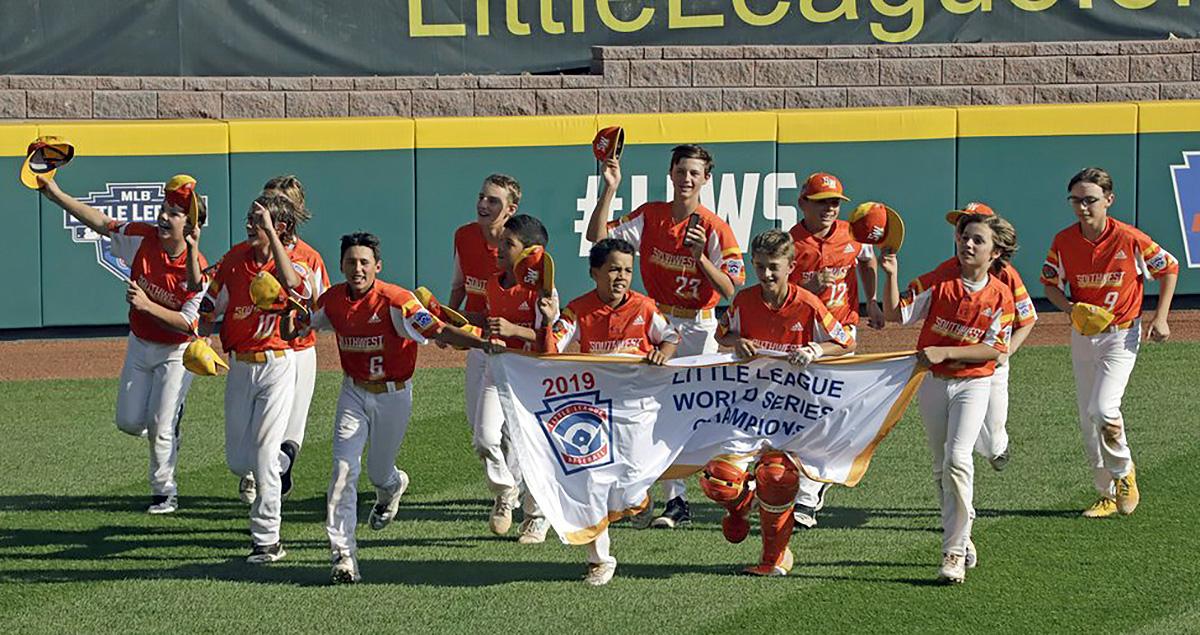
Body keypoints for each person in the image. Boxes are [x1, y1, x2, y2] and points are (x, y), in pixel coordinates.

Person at [286, 232, 487, 583]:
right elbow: (301, 325)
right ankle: (343, 557)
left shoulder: (398, 302)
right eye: (351, 262)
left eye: (364, 262)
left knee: (379, 472)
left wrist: (483, 342)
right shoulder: (332, 299)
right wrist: (289, 318)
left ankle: (392, 486)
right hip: (352, 393)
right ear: (341, 266)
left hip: (394, 395)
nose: (357, 269)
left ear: (377, 266)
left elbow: (439, 331)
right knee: (342, 473)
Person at [586, 144, 744, 529]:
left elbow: (733, 289)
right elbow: (597, 239)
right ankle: (673, 501)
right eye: (681, 170)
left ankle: (735, 487)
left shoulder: (715, 227)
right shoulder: (651, 215)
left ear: (707, 179)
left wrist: (700, 256)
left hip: (700, 326)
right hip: (657, 323)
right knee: (659, 412)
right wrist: (609, 188)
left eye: (695, 172)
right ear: (670, 174)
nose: (686, 178)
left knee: (703, 412)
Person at [37, 174, 208, 515]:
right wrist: (56, 195)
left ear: (191, 227)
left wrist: (147, 305)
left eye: (174, 213)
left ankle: (164, 493)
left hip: (177, 352)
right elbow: (101, 222)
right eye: (164, 208)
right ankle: (168, 422)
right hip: (140, 343)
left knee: (159, 427)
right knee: (130, 422)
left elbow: (188, 322)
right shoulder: (141, 238)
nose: (163, 216)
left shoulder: (198, 268)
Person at [705, 229, 855, 576]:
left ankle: (773, 558)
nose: (767, 274)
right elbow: (722, 335)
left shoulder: (808, 304)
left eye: (773, 267)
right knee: (719, 479)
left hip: (792, 410)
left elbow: (844, 342)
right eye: (759, 266)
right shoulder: (743, 301)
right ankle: (740, 504)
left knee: (777, 476)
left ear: (790, 266)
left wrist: (815, 349)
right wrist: (736, 342)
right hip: (748, 407)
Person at [882, 213, 1017, 585]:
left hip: (974, 384)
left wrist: (943, 351)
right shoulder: (939, 279)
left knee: (959, 459)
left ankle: (953, 551)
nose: (967, 244)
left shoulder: (1000, 294)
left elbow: (993, 350)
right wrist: (890, 274)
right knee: (942, 467)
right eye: (964, 237)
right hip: (933, 383)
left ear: (996, 251)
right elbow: (898, 315)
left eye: (977, 240)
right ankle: (964, 531)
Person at [1040, 167, 1178, 519]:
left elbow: (1169, 267)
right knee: (1088, 419)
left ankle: (1124, 473)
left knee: (1103, 408)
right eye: (1076, 200)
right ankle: (1105, 493)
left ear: (1108, 200)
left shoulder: (1129, 238)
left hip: (1121, 334)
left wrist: (1160, 317)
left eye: (1090, 200)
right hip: (1084, 335)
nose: (1083, 207)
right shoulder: (1064, 240)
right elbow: (1050, 284)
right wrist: (1071, 308)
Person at [542, 237, 681, 585]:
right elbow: (552, 348)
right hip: (593, 411)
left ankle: (640, 500)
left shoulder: (645, 306)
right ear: (594, 273)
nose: (621, 276)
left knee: (630, 487)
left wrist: (663, 350)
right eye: (613, 269)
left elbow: (672, 335)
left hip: (637, 410)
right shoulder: (578, 309)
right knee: (592, 482)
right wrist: (547, 321)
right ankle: (599, 560)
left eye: (627, 270)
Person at [199, 194, 319, 563]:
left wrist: (272, 238)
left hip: (278, 363)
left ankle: (268, 539)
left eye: (259, 220)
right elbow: (210, 305)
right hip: (240, 365)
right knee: (239, 460)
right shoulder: (235, 259)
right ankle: (266, 474)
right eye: (251, 219)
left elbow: (298, 288)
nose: (250, 225)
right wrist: (200, 336)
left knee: (266, 452)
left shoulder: (297, 262)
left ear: (279, 228)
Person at [786, 172, 883, 528]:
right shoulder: (790, 243)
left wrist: (871, 300)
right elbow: (775, 286)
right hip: (797, 336)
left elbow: (867, 262)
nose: (829, 208)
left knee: (826, 414)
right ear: (803, 204)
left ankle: (809, 493)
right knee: (798, 412)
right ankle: (787, 482)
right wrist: (807, 282)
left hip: (839, 334)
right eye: (821, 201)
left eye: (834, 202)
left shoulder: (852, 234)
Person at [236, 175, 330, 507]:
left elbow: (320, 303)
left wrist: (302, 316)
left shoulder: (308, 256)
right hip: (257, 347)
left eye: (280, 202)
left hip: (298, 350)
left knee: (290, 426)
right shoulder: (250, 252)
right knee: (250, 421)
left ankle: (273, 478)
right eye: (266, 200)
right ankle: (255, 474)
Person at [937, 203, 1038, 471]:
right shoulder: (949, 269)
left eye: (968, 226)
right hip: (956, 366)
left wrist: (1007, 351)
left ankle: (995, 445)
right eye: (960, 227)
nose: (962, 234)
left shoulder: (1004, 274)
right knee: (958, 445)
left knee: (993, 446)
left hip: (991, 365)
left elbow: (1028, 318)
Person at [476, 214, 557, 544]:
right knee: (484, 438)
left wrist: (514, 330)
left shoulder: (544, 289)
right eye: (502, 241)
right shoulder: (494, 281)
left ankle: (538, 517)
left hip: (531, 378)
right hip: (497, 368)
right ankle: (505, 490)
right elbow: (487, 322)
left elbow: (549, 343)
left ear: (530, 252)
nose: (499, 248)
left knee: (534, 449)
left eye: (509, 244)